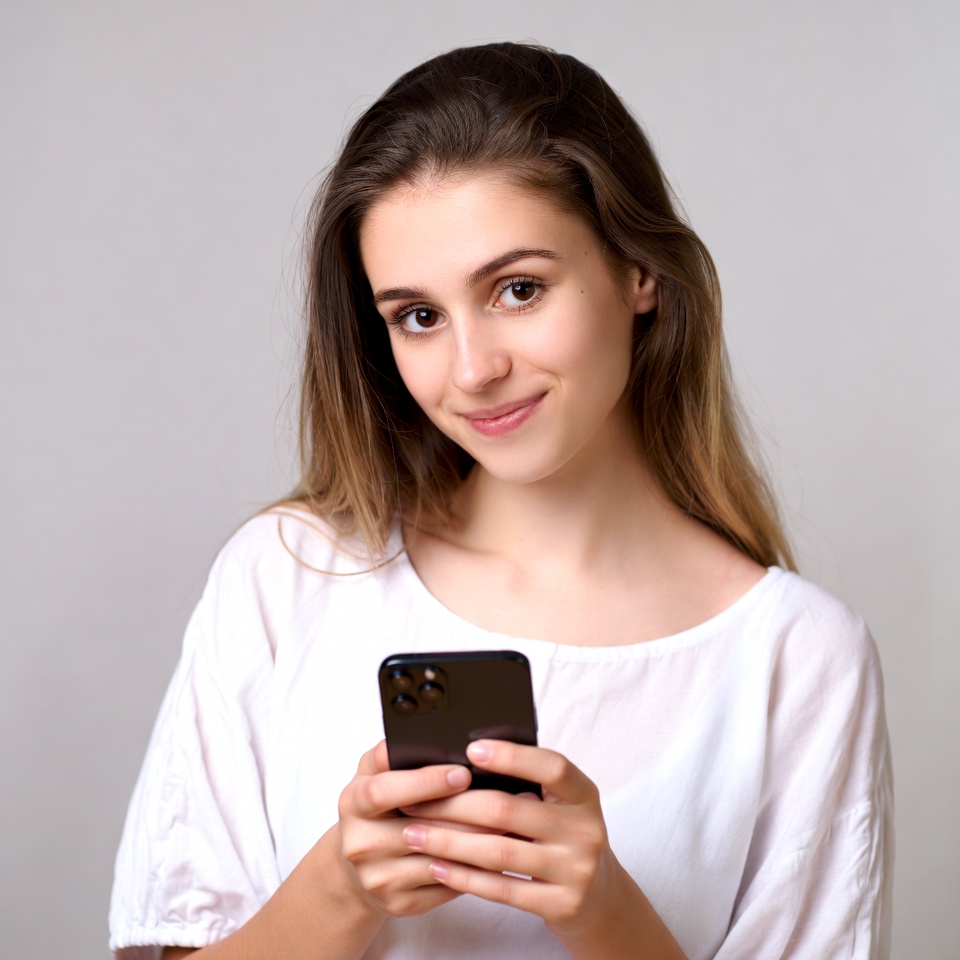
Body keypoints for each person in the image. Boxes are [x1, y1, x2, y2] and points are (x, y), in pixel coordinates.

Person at [109, 42, 893, 960]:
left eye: (518, 290)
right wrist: (341, 888)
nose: (474, 371)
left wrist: (605, 911)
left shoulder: (798, 659)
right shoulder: (287, 577)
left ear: (638, 270)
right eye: (419, 316)